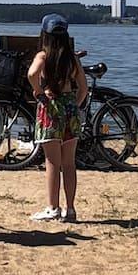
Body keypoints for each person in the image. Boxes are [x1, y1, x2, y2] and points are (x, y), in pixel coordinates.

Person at [28, 14, 87, 223]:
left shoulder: (43, 56)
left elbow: (31, 74)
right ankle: (70, 209)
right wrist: (75, 104)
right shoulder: (72, 59)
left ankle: (53, 207)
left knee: (52, 161)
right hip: (69, 107)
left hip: (51, 108)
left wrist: (38, 91)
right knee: (69, 163)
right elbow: (83, 87)